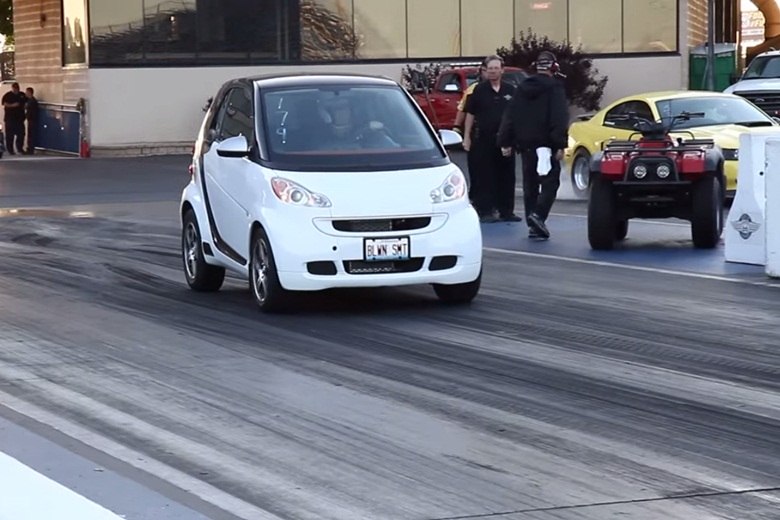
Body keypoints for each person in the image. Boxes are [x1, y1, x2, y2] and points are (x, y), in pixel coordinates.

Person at [498, 50, 569, 239]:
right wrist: (560, 143)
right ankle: (539, 216)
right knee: (550, 183)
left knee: (530, 185)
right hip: (546, 144)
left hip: (526, 145)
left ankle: (532, 222)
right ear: (553, 67)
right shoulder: (555, 88)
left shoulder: (521, 88)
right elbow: (559, 117)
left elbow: (510, 114)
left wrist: (505, 140)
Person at [463, 55, 521, 223]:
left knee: (507, 175)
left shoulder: (511, 90)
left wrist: (515, 138)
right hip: (483, 139)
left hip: (505, 140)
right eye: (490, 69)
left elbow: (517, 115)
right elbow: (470, 114)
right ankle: (485, 210)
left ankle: (506, 211)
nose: (493, 72)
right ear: (485, 71)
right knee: (485, 175)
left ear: (502, 70)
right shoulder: (478, 90)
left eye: (496, 68)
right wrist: (467, 137)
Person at [455, 61, 488, 204]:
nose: (490, 73)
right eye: (486, 70)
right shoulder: (473, 89)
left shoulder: (503, 89)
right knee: (477, 168)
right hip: (478, 133)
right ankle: (476, 197)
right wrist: (457, 128)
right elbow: (464, 109)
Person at [2, 82, 27, 155]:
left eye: (17, 88)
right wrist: (13, 105)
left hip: (19, 119)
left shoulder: (22, 95)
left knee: (21, 134)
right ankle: (10, 150)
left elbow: (26, 101)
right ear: (12, 88)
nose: (16, 90)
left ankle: (20, 148)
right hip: (10, 119)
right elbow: (5, 103)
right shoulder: (8, 95)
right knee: (10, 135)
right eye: (15, 88)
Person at [24, 87, 39, 155]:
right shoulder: (30, 100)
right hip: (30, 119)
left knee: (31, 135)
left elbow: (31, 110)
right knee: (30, 134)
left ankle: (30, 148)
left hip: (32, 119)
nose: (25, 93)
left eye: (27, 92)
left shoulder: (32, 101)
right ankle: (29, 148)